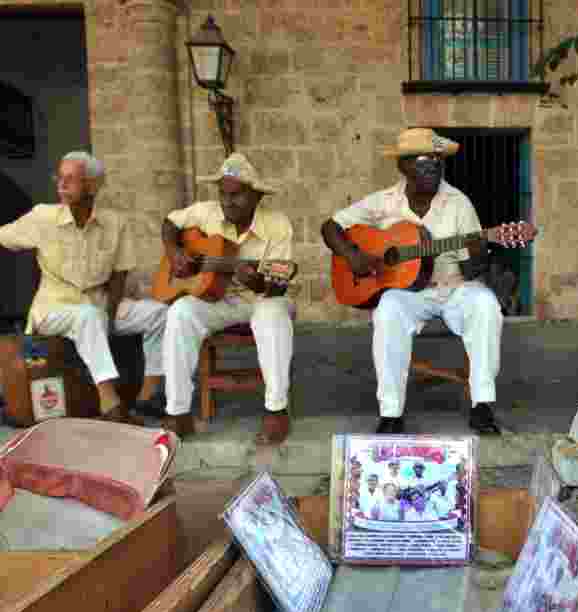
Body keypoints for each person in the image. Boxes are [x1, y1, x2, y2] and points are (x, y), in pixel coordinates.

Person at [322, 128, 502, 436]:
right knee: (387, 310)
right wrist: (353, 256)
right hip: (407, 292)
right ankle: (391, 413)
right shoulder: (384, 202)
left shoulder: (459, 203)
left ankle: (482, 404)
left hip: (454, 287)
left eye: (437, 161)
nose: (432, 167)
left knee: (486, 305)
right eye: (422, 162)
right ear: (402, 167)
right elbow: (331, 227)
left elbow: (472, 270)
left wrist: (479, 249)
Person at [0, 151, 167, 424]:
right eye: (59, 178)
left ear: (91, 186)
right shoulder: (43, 217)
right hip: (54, 310)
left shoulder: (115, 222)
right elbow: (3, 236)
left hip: (99, 304)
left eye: (70, 179)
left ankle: (148, 395)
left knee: (159, 313)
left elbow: (119, 275)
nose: (61, 185)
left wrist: (111, 316)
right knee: (88, 317)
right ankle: (110, 401)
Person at [160, 153, 295, 445]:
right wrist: (175, 253)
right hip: (216, 300)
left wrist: (255, 279)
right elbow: (170, 223)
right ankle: (178, 412)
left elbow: (276, 286)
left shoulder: (278, 224)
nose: (228, 201)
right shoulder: (204, 212)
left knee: (272, 314)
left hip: (261, 298)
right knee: (180, 312)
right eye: (223, 193)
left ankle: (276, 411)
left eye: (237, 195)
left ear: (257, 196)